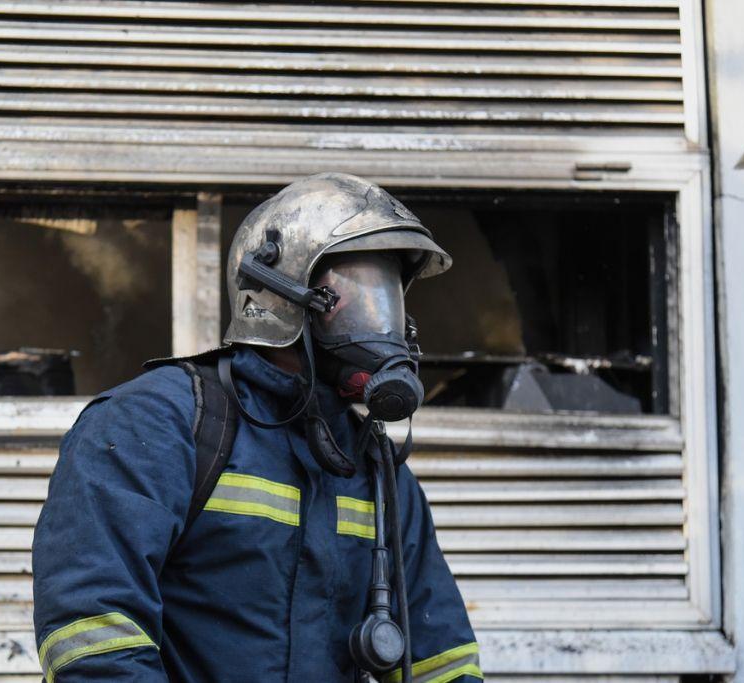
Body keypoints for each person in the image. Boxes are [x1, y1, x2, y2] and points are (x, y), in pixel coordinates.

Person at [32, 173, 480, 682]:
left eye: (389, 298)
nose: (383, 326)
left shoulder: (379, 473)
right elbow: (93, 637)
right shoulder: (155, 425)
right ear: (277, 293)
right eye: (355, 294)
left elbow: (441, 661)